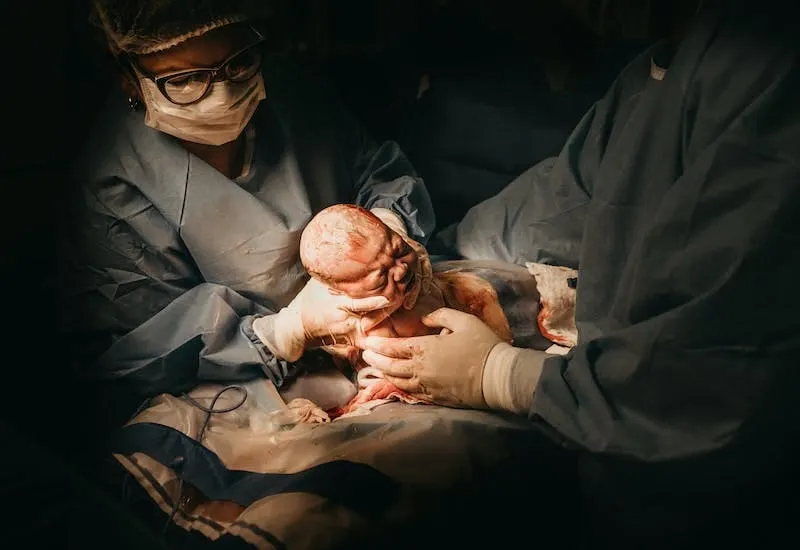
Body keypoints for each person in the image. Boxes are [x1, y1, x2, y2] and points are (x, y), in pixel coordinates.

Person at [362, 0, 800, 542]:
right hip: (618, 478)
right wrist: (421, 259)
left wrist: (499, 375)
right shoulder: (657, 71)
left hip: (723, 500)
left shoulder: (769, 68)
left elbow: (711, 373)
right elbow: (559, 203)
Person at [57, 0, 435, 425]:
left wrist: (387, 228)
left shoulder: (291, 92)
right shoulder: (115, 181)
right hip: (246, 382)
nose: (222, 91)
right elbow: (142, 354)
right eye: (185, 80)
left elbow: (378, 171)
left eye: (238, 63)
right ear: (128, 75)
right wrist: (285, 331)